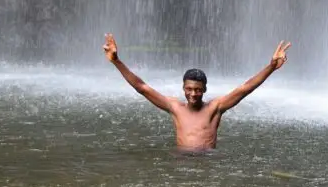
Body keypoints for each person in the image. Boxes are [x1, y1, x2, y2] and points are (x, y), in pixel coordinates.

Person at [102, 33, 291, 151]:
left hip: (207, 163)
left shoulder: (215, 108)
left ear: (204, 90)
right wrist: (116, 61)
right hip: (182, 162)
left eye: (198, 90)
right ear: (183, 89)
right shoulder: (174, 107)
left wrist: (271, 67)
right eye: (189, 89)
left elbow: (245, 89)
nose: (193, 94)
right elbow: (142, 87)